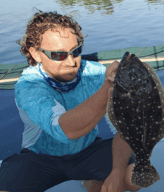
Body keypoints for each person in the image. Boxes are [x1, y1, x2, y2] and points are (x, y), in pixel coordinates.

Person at [0, 11, 140, 192]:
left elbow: (124, 128)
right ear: (35, 53)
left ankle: (92, 183)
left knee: (134, 176)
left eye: (76, 51)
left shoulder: (96, 73)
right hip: (40, 158)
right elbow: (64, 130)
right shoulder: (29, 85)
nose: (71, 61)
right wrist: (108, 88)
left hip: (88, 151)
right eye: (58, 55)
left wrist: (117, 171)